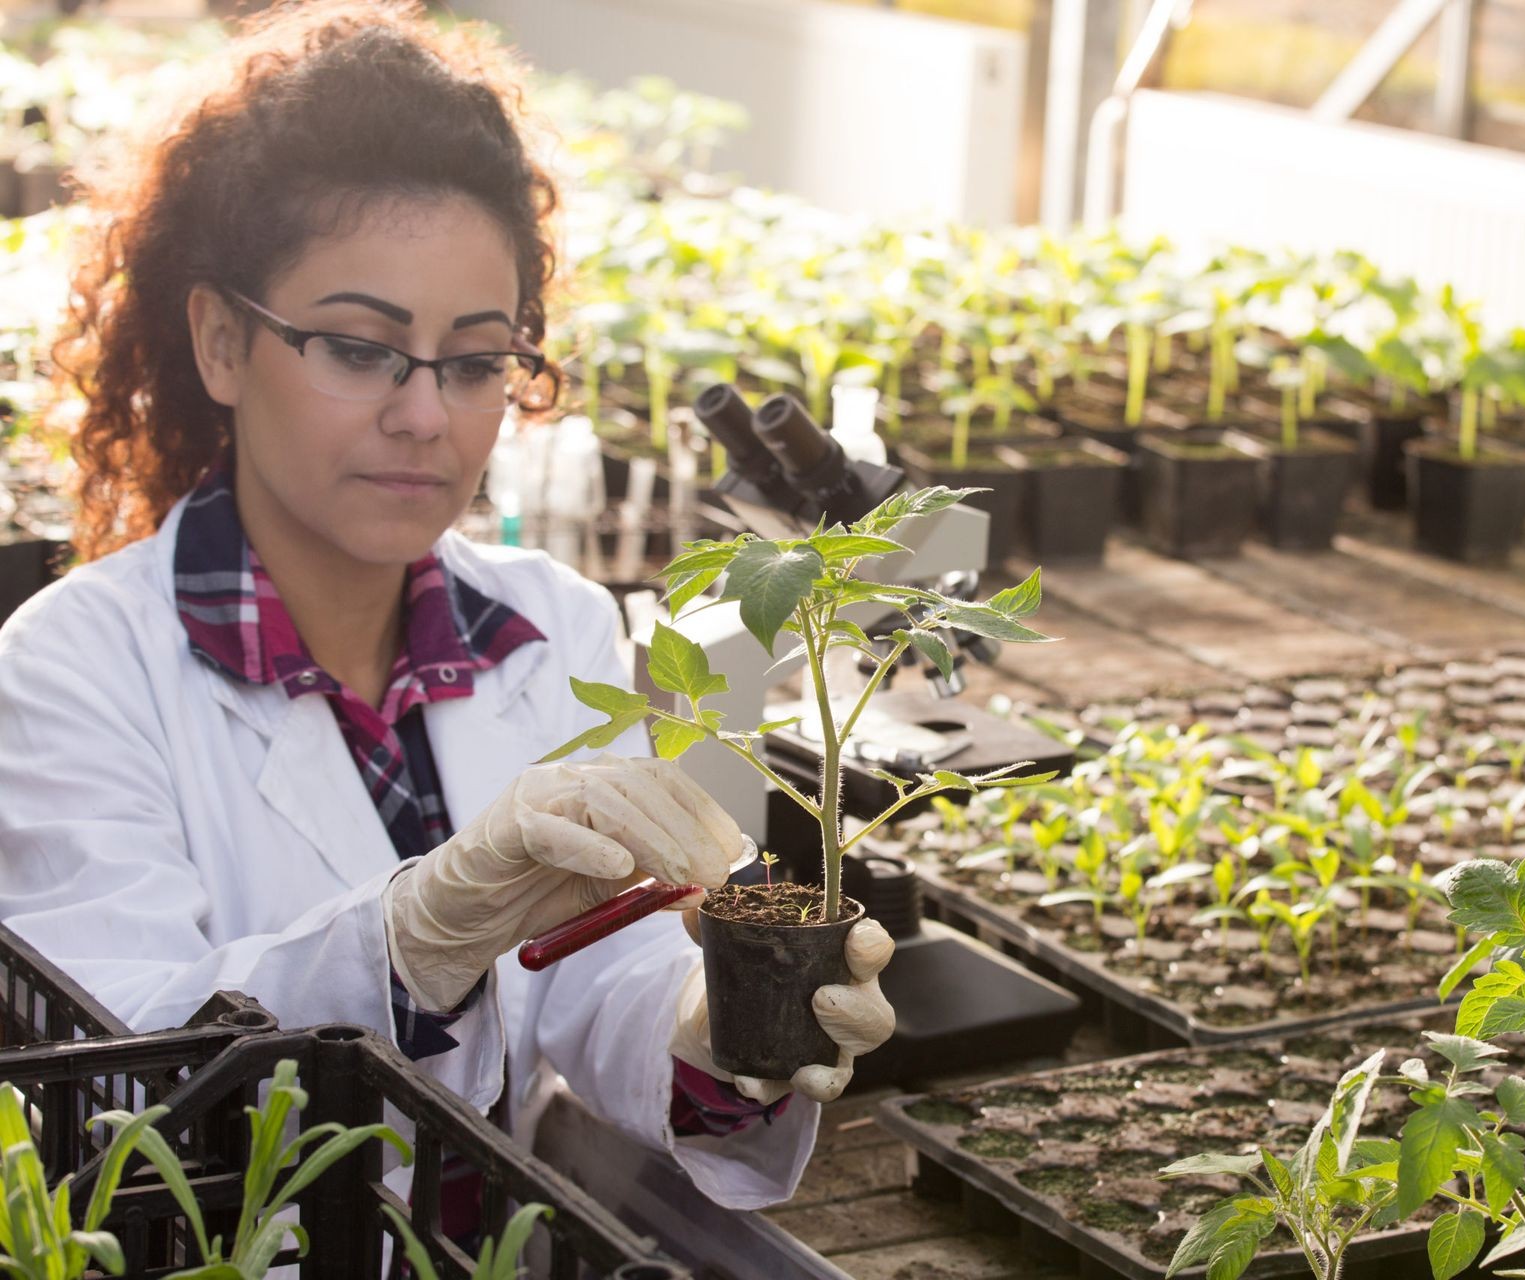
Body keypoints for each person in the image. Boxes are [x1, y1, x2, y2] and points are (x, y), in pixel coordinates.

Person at [0, 0, 892, 1211]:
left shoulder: (552, 629)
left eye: (477, 360)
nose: (426, 415)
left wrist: (713, 1029)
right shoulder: (72, 671)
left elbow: (602, 977)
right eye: (361, 347)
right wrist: (404, 942)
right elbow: (121, 1083)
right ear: (219, 341)